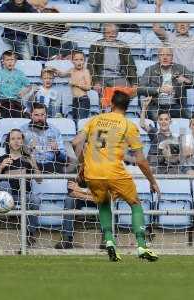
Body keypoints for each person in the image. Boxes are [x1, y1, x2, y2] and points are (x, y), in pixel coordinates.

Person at [72, 91, 160, 262]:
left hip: (93, 172)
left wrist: (83, 163)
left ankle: (110, 242)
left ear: (111, 104)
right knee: (135, 204)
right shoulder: (128, 125)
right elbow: (140, 160)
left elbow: (76, 142)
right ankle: (142, 246)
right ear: (127, 108)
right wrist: (152, 181)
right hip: (114, 172)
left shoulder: (95, 120)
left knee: (104, 203)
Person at [0, 128, 42, 246]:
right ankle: (6, 211)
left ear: (23, 141)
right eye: (13, 139)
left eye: (19, 138)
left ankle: (30, 234)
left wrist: (34, 165)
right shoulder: (2, 159)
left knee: (35, 200)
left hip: (23, 196)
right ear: (8, 142)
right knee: (3, 184)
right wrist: (1, 167)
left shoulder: (28, 159)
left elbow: (39, 180)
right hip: (6, 197)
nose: (16, 141)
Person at [153, 0, 194, 89]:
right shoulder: (169, 37)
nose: (182, 24)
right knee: (177, 83)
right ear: (174, 24)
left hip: (191, 75)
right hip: (175, 76)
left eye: (185, 21)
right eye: (179, 21)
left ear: (189, 24)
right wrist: (158, 7)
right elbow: (156, 29)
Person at [138, 47, 194, 122]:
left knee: (192, 117)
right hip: (156, 105)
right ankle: (157, 133)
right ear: (158, 57)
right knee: (156, 118)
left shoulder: (180, 68)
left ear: (172, 57)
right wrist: (159, 89)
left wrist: (186, 80)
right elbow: (140, 89)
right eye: (162, 55)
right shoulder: (150, 70)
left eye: (168, 55)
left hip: (175, 105)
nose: (165, 57)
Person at [87, 24, 137, 96]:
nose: (111, 35)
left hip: (118, 77)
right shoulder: (96, 45)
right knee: (102, 96)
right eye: (108, 32)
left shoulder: (123, 46)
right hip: (100, 77)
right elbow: (90, 65)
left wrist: (134, 83)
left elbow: (131, 66)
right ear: (103, 34)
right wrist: (95, 82)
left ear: (117, 34)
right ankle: (105, 106)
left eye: (114, 32)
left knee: (129, 92)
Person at [20, 102, 67, 173]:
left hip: (51, 164)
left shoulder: (54, 130)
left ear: (46, 116)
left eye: (42, 115)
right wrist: (28, 149)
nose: (40, 118)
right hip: (30, 164)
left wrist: (57, 151)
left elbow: (64, 158)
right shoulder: (23, 130)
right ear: (31, 115)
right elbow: (16, 152)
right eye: (36, 115)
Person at [140, 97, 180, 174]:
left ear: (170, 121)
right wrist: (144, 107)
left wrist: (169, 158)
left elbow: (178, 158)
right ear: (158, 121)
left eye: (166, 119)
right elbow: (142, 124)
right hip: (153, 166)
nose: (163, 122)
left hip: (168, 167)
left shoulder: (175, 138)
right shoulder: (155, 132)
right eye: (161, 119)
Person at [0, 50, 32, 119]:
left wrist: (24, 91)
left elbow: (29, 86)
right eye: (7, 60)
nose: (10, 62)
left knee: (19, 116)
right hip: (2, 100)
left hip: (15, 100)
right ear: (3, 62)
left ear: (15, 61)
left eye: (12, 59)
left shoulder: (20, 73)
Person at [55, 180, 96, 249]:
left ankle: (106, 239)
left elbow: (103, 193)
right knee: (69, 200)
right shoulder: (75, 172)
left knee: (106, 201)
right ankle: (67, 239)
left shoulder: (100, 172)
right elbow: (72, 193)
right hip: (80, 200)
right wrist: (91, 195)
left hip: (98, 202)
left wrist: (79, 190)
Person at [56, 50, 92, 120]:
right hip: (75, 100)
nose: (79, 62)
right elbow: (61, 74)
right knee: (75, 120)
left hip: (83, 100)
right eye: (76, 59)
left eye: (81, 59)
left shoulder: (85, 71)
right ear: (72, 61)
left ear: (84, 61)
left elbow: (88, 87)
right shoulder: (71, 70)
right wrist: (53, 70)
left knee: (81, 121)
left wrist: (75, 84)